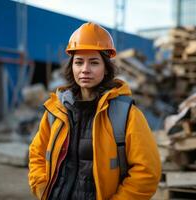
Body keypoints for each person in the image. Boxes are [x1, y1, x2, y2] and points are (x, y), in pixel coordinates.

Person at [28, 22, 161, 200]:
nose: (85, 69)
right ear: (71, 66)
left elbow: (147, 172)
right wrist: (42, 188)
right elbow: (37, 153)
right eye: (79, 62)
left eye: (94, 62)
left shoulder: (126, 115)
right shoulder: (56, 111)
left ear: (106, 68)